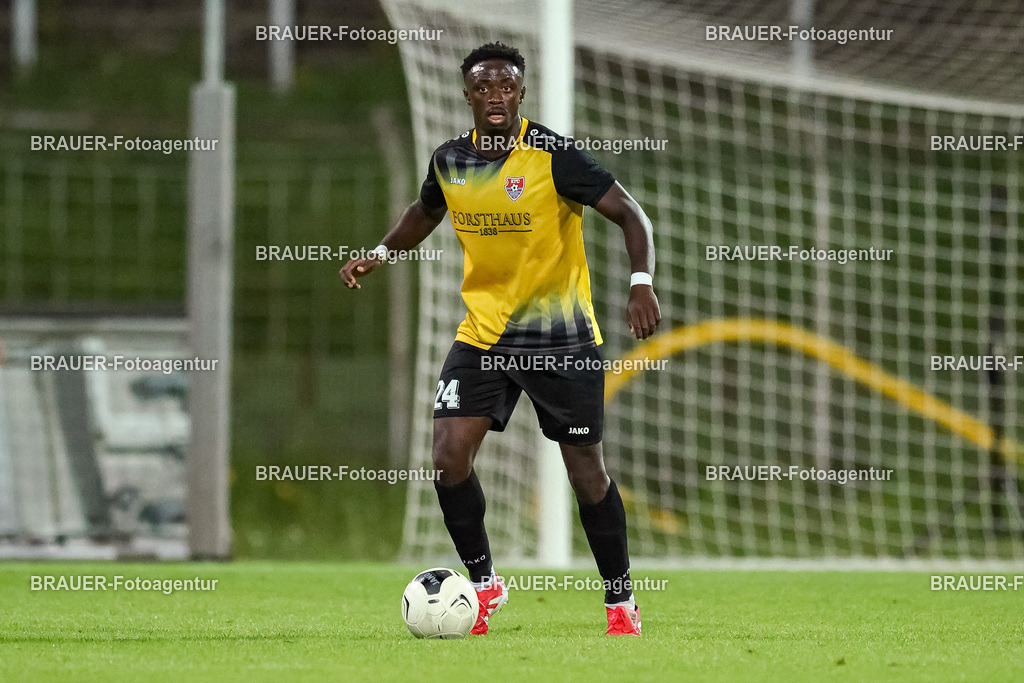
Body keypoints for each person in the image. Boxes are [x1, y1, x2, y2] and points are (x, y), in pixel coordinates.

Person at [340, 41, 660, 636]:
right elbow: (426, 210)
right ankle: (483, 586)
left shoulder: (553, 156)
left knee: (585, 470)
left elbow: (630, 214)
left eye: (507, 87)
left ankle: (620, 602)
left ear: (521, 94)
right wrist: (380, 253)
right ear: (467, 94)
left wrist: (641, 283)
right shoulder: (449, 160)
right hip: (483, 337)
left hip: (562, 340)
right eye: (484, 87)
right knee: (447, 457)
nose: (496, 97)